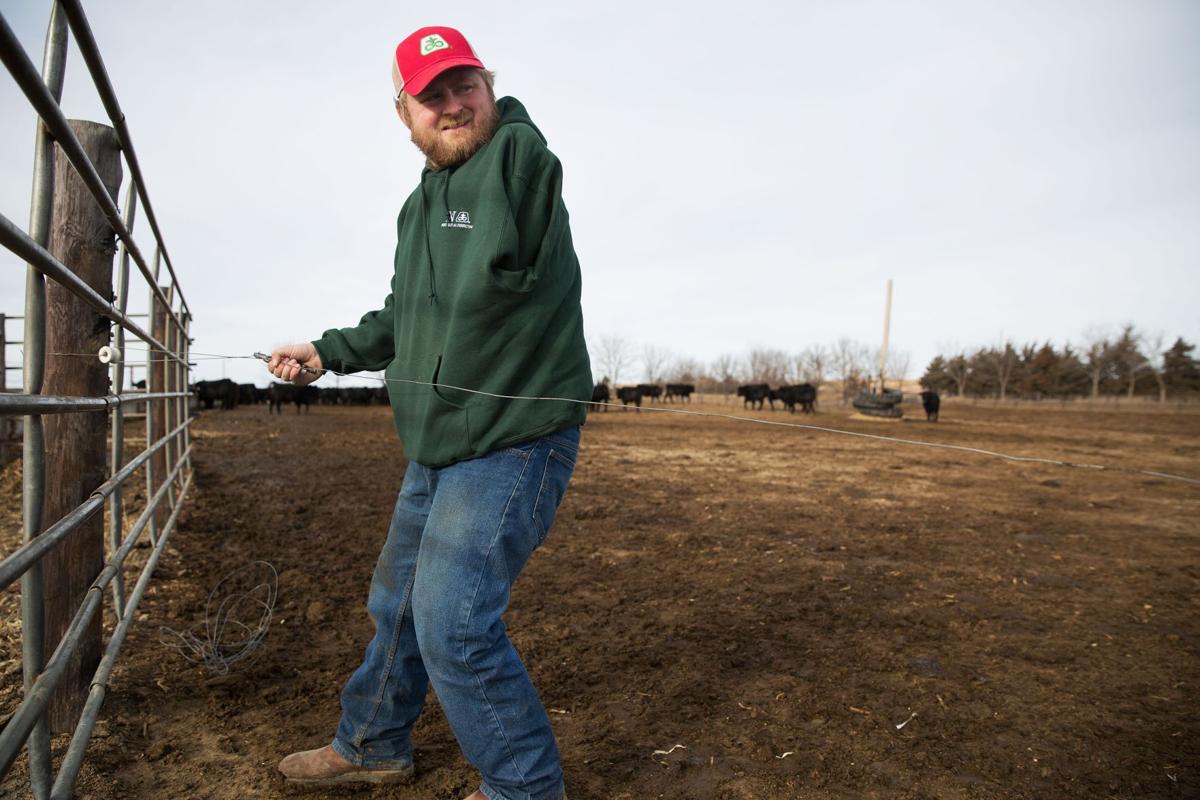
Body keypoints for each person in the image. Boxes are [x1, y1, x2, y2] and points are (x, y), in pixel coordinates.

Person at [267, 25, 590, 800]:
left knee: (453, 620)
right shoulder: (418, 209)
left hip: (512, 441)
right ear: (403, 113)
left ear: (490, 89)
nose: (452, 106)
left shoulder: (516, 161)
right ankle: (374, 741)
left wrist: (507, 120)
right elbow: (401, 315)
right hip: (438, 442)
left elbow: (522, 148)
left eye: (465, 87)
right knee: (399, 604)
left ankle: (524, 790)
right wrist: (326, 351)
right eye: (431, 96)